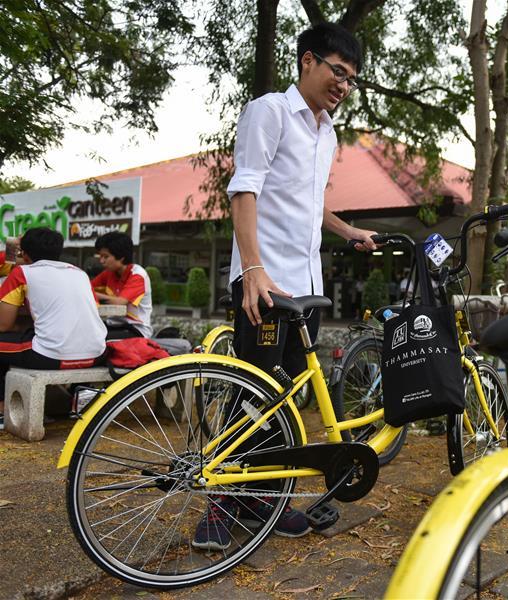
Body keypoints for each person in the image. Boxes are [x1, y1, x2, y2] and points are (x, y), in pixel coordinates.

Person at [193, 22, 377, 551]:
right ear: (307, 61)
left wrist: (348, 231)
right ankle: (217, 506)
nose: (343, 85)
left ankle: (264, 502)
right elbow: (245, 187)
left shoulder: (326, 132)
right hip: (265, 283)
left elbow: (308, 201)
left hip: (306, 286)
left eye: (351, 80)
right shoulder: (270, 111)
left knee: (285, 400)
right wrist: (252, 270)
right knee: (253, 395)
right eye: (336, 72)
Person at [0, 228, 107, 420]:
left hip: (50, 355)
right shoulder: (79, 273)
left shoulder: (21, 273)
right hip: (96, 354)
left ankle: (1, 408)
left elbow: (3, 325)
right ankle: (78, 398)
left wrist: (11, 244)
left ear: (23, 253)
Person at [91, 231, 153, 338]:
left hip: (136, 329)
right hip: (114, 324)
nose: (101, 261)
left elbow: (120, 302)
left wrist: (90, 293)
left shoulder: (138, 275)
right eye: (100, 256)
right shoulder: (108, 273)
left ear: (121, 257)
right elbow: (88, 286)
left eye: (106, 257)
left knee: (97, 339)